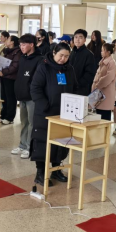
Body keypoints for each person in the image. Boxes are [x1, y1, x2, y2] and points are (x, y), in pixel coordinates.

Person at [30, 42, 76, 186]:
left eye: (66, 56)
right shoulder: (44, 67)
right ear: (54, 53)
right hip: (45, 113)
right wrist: (45, 105)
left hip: (63, 113)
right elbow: (35, 88)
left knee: (61, 142)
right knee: (43, 142)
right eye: (61, 55)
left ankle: (56, 169)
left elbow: (74, 87)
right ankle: (40, 173)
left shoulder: (69, 69)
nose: (63, 59)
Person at [12, 34, 44, 159]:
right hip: (22, 95)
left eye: (24, 44)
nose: (21, 47)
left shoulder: (39, 59)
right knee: (24, 122)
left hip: (32, 97)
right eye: (20, 45)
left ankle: (30, 147)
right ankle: (22, 145)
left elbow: (37, 80)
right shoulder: (23, 58)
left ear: (31, 45)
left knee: (32, 123)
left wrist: (32, 92)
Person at [0, 35, 21, 125]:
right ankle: (3, 114)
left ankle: (10, 117)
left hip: (11, 78)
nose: (6, 41)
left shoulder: (17, 52)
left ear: (12, 42)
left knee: (10, 98)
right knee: (4, 97)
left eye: (8, 40)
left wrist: (3, 72)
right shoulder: (7, 51)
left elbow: (14, 66)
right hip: (4, 77)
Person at [91, 43, 116, 120]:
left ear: (108, 52)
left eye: (103, 50)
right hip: (100, 92)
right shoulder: (103, 61)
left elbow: (109, 77)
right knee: (99, 114)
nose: (101, 52)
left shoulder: (111, 62)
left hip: (106, 92)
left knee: (105, 115)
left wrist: (98, 84)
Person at [69, 29, 97, 96]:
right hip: (69, 87)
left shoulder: (89, 54)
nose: (77, 39)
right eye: (76, 37)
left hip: (81, 89)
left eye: (80, 37)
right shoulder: (72, 53)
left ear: (85, 40)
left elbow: (90, 73)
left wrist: (78, 84)